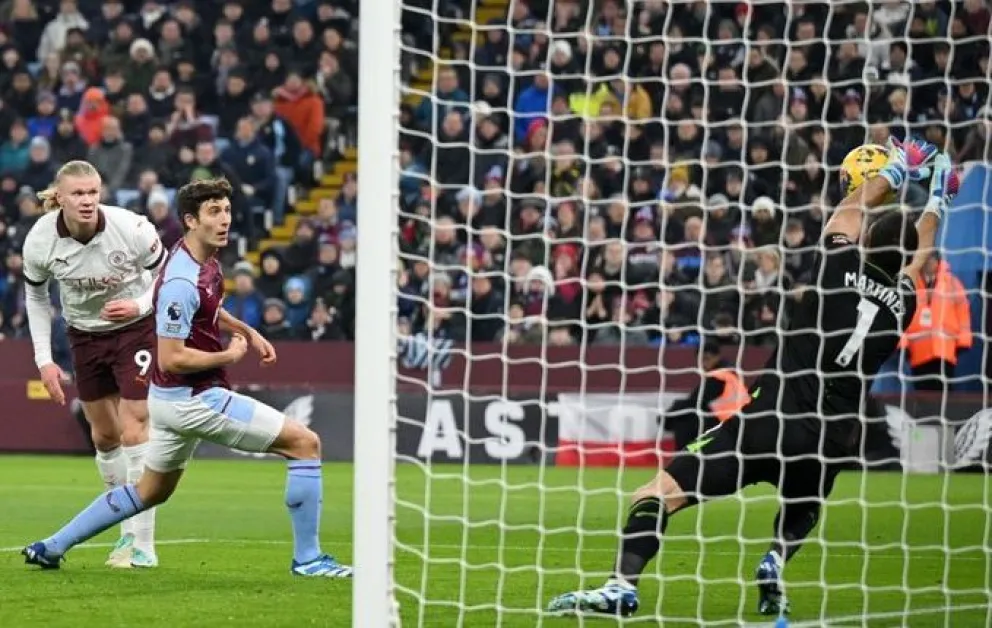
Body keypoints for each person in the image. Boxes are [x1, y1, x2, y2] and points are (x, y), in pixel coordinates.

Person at [547, 139, 954, 618]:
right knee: (803, 503)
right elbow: (918, 254)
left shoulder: (839, 269)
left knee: (657, 493)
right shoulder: (903, 303)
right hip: (834, 438)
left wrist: (896, 172)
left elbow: (849, 210)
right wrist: (939, 201)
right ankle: (774, 560)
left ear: (865, 242)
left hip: (771, 419)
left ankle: (621, 585)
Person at [22, 177, 353, 579]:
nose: (225, 220)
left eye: (227, 210)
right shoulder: (181, 280)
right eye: (214, 212)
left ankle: (52, 546)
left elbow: (206, 307)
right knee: (305, 443)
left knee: (148, 491)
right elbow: (172, 358)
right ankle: (309, 559)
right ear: (190, 220)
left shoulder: (197, 260)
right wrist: (228, 353)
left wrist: (247, 331)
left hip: (171, 403)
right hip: (195, 400)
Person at [22, 160, 164, 568]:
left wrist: (138, 303)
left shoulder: (132, 228)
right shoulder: (39, 241)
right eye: (79, 194)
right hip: (84, 336)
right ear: (60, 197)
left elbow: (167, 275)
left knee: (135, 424)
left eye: (93, 192)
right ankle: (123, 533)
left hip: (135, 330)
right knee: (104, 436)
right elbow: (36, 299)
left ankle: (142, 544)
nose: (87, 201)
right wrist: (44, 361)